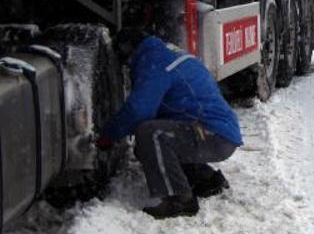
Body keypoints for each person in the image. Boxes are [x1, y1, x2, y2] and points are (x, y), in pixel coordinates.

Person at [96, 29, 243, 219]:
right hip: (218, 133)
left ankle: (180, 200)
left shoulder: (154, 63)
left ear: (130, 51)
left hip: (213, 134)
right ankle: (205, 180)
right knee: (152, 144)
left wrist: (108, 134)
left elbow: (138, 110)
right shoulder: (167, 54)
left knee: (150, 135)